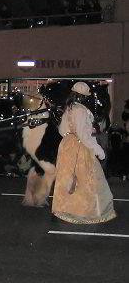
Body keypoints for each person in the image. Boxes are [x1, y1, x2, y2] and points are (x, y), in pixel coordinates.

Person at [51, 81, 116, 224]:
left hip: (66, 146)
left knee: (67, 179)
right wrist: (99, 151)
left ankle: (65, 209)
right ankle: (86, 212)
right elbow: (84, 136)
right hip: (79, 148)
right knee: (88, 181)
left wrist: (72, 135)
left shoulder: (68, 108)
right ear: (84, 96)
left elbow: (62, 130)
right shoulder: (81, 110)